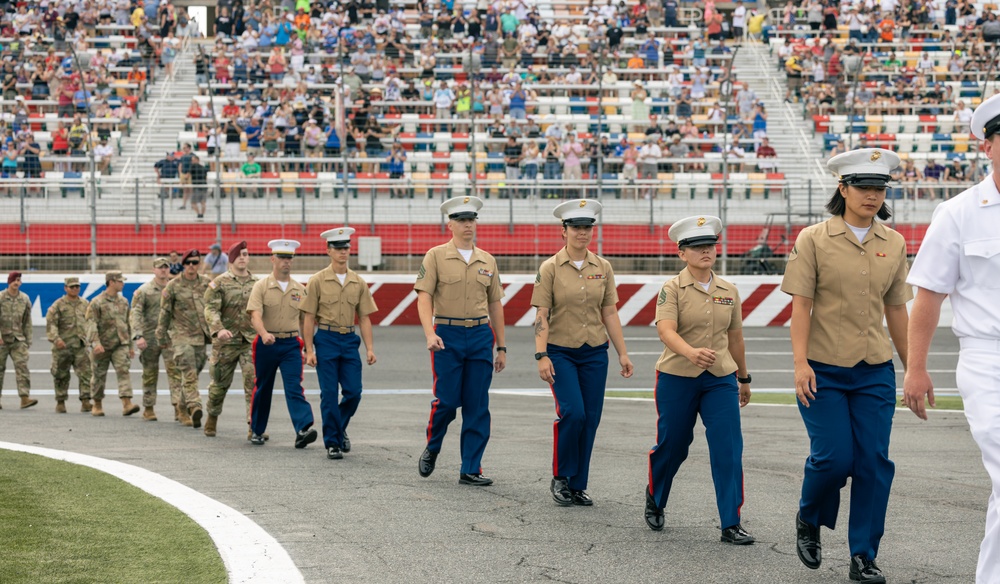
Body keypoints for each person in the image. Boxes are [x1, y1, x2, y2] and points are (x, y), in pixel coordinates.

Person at [782, 148, 911, 584]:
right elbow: (801, 307)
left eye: (879, 188)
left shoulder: (893, 242)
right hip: (823, 368)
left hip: (874, 369)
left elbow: (897, 310)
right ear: (842, 188)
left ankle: (863, 556)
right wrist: (800, 364)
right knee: (834, 459)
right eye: (863, 187)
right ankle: (809, 516)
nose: (872, 196)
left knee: (873, 462)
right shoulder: (813, 238)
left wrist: (913, 368)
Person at [903, 93, 1000, 584]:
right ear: (987, 146)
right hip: (989, 361)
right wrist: (916, 368)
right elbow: (928, 298)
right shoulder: (959, 214)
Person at [643, 215, 753, 543]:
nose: (705, 251)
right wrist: (690, 353)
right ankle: (656, 495)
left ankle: (730, 522)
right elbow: (665, 330)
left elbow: (736, 339)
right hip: (678, 376)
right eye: (696, 246)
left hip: (719, 377)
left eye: (710, 246)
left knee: (728, 447)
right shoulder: (672, 289)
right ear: (682, 252)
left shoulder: (728, 290)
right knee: (674, 445)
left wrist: (744, 378)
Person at [531, 199, 633, 506]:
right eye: (576, 227)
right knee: (573, 413)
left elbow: (610, 313)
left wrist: (622, 354)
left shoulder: (603, 267)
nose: (582, 233)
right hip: (560, 352)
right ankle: (561, 476)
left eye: (587, 227)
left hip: (594, 353)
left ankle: (577, 484)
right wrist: (541, 355)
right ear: (563, 231)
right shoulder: (550, 268)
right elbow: (541, 314)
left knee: (590, 419)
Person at [415, 196, 507, 486]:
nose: (468, 225)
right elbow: (424, 296)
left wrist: (501, 346)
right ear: (450, 224)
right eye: (462, 220)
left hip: (480, 335)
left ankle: (471, 467)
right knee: (447, 401)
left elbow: (495, 305)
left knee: (477, 404)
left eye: (472, 220)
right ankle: (433, 445)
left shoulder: (487, 260)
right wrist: (430, 333)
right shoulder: (436, 256)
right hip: (448, 335)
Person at [302, 228, 378, 460]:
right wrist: (309, 349)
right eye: (338, 248)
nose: (343, 252)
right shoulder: (317, 281)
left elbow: (364, 317)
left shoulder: (358, 282)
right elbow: (308, 317)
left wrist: (370, 348)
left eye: (346, 248)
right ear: (329, 251)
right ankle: (333, 442)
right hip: (325, 339)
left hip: (348, 340)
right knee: (328, 393)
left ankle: (338, 427)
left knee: (354, 392)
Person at [246, 240, 318, 449]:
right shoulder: (261, 286)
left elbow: (306, 320)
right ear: (273, 259)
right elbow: (255, 316)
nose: (286, 262)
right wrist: (263, 333)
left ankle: (303, 429)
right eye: (282, 258)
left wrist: (307, 347)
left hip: (290, 344)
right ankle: (257, 430)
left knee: (294, 386)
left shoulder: (299, 289)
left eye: (289, 258)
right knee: (263, 387)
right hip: (266, 344)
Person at [203, 240, 258, 439]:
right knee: (219, 385)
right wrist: (218, 330)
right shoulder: (219, 283)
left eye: (245, 254)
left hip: (250, 341)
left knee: (253, 384)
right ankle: (212, 416)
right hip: (226, 342)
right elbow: (210, 309)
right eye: (238, 255)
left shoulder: (257, 283)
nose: (243, 258)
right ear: (231, 259)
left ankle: (254, 426)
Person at [156, 249, 213, 428]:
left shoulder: (206, 284)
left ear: (199, 264)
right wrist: (161, 335)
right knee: (188, 372)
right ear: (183, 264)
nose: (191, 266)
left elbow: (214, 307)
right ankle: (194, 406)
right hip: (180, 336)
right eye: (188, 263)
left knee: (193, 373)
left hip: (201, 337)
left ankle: (180, 406)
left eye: (195, 263)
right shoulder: (172, 286)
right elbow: (164, 313)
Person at [130, 257, 183, 421]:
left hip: (170, 337)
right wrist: (138, 335)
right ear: (153, 270)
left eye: (166, 267)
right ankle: (149, 408)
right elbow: (136, 313)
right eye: (160, 268)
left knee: (175, 373)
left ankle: (179, 408)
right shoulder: (144, 291)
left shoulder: (175, 288)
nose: (163, 270)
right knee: (150, 373)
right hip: (150, 337)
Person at [85, 271, 138, 417]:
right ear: (111, 282)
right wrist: (95, 343)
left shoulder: (123, 301)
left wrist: (130, 346)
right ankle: (97, 404)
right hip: (102, 345)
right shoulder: (97, 302)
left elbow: (127, 323)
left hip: (120, 344)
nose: (123, 283)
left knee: (123, 371)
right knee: (98, 375)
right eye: (120, 281)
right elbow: (91, 323)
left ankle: (127, 403)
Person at [46, 276, 93, 414]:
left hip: (80, 346)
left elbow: (91, 322)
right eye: (72, 287)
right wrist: (56, 339)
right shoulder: (58, 305)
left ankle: (85, 401)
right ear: (65, 288)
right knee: (61, 374)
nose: (75, 289)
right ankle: (60, 401)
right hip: (63, 346)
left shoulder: (85, 304)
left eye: (77, 286)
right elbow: (51, 324)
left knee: (86, 374)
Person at [0, 272, 36, 410]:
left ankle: (24, 398)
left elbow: (27, 321)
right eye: (14, 280)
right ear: (9, 282)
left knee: (22, 368)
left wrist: (28, 340)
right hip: (2, 340)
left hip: (18, 339)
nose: (16, 282)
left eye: (19, 280)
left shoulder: (24, 298)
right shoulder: (1, 297)